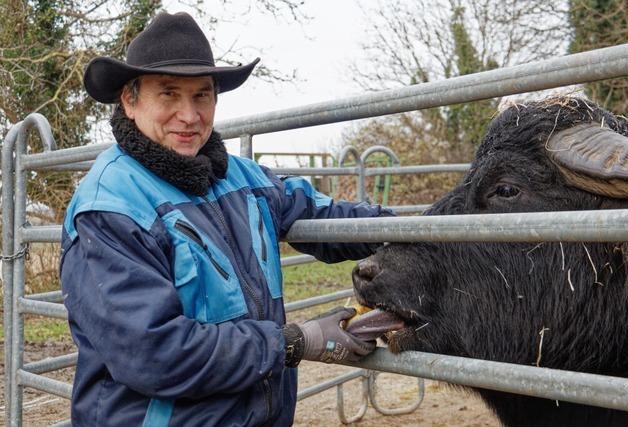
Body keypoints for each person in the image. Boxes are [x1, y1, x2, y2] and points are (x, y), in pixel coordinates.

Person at [60, 11, 392, 427]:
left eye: (202, 95)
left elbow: (327, 216)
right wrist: (293, 342)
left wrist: (419, 229)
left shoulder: (241, 179)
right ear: (130, 100)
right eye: (168, 94)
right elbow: (154, 352)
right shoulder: (110, 207)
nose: (189, 114)